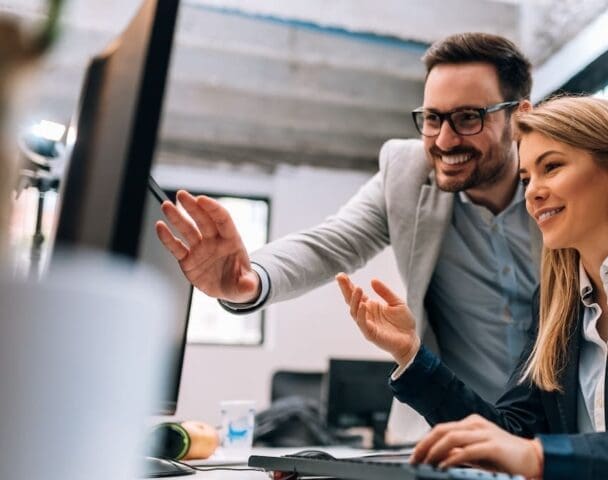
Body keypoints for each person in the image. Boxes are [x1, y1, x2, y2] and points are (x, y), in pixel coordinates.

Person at [335, 95, 608, 478]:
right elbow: (510, 434)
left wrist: (539, 458)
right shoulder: (558, 300)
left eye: (552, 168)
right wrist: (411, 356)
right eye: (528, 178)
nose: (533, 193)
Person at [154, 33, 541, 440]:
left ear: (519, 117)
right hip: (453, 430)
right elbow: (330, 243)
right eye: (432, 118)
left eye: (468, 118)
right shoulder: (406, 173)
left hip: (562, 430)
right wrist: (250, 279)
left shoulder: (563, 183)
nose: (444, 140)